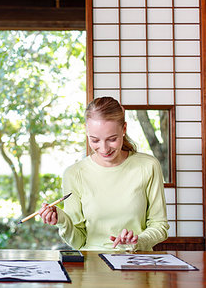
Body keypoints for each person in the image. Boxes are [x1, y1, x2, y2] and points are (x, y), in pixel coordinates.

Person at [39, 96, 169, 251]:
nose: (104, 148)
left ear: (124, 129)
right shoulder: (74, 174)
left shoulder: (148, 166)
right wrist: (62, 220)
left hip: (137, 263)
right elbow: (78, 241)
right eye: (95, 140)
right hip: (93, 266)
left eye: (112, 139)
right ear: (87, 132)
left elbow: (159, 226)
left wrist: (137, 242)